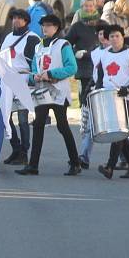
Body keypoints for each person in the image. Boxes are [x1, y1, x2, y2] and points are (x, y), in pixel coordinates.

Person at [15, 14, 82, 176]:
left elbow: (72, 68)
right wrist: (35, 76)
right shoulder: (38, 46)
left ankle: (75, 162)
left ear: (56, 27)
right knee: (38, 125)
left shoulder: (63, 44)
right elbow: (33, 68)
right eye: (44, 25)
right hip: (42, 90)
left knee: (62, 125)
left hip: (58, 90)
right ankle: (33, 165)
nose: (45, 28)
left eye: (49, 25)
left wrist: (51, 73)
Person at [95, 25, 129, 179]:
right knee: (120, 133)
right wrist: (96, 92)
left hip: (125, 97)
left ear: (123, 37)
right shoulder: (104, 55)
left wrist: (128, 89)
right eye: (111, 37)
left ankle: (110, 166)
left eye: (117, 36)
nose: (114, 39)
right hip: (108, 97)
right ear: (107, 39)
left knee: (117, 131)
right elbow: (101, 78)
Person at [0, 9, 40, 165]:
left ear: (26, 21)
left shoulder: (32, 38)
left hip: (23, 80)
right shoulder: (8, 37)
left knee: (23, 119)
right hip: (8, 80)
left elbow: (34, 63)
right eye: (14, 18)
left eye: (20, 18)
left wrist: (32, 80)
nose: (16, 21)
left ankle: (24, 152)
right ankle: (15, 149)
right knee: (6, 117)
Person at [78, 22, 112, 169]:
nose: (102, 37)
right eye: (99, 34)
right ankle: (84, 157)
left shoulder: (114, 52)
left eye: (105, 34)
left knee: (114, 127)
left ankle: (125, 158)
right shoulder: (96, 51)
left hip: (112, 92)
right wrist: (86, 92)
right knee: (91, 126)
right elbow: (95, 74)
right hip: (96, 90)